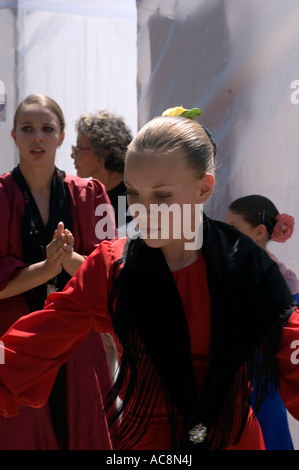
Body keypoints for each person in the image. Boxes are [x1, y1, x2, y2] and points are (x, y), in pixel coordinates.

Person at [0, 109, 299, 451]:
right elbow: (32, 343)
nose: (142, 210)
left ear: (204, 188)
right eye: (134, 193)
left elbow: (292, 344)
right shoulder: (112, 266)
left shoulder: (247, 267)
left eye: (161, 195)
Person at [0, 94, 116, 450]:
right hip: (14, 342)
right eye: (28, 128)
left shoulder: (92, 194)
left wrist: (68, 263)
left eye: (47, 128)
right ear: (14, 136)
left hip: (78, 339)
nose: (38, 137)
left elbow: (109, 277)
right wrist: (48, 267)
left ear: (62, 136)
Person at [225, 194, 299, 450]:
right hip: (231, 379)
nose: (225, 234)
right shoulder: (225, 269)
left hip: (263, 379)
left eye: (233, 228)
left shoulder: (284, 280)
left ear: (258, 232)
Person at [71, 110, 133, 232]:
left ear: (103, 153)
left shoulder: (138, 194)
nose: (73, 155)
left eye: (78, 148)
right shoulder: (82, 198)